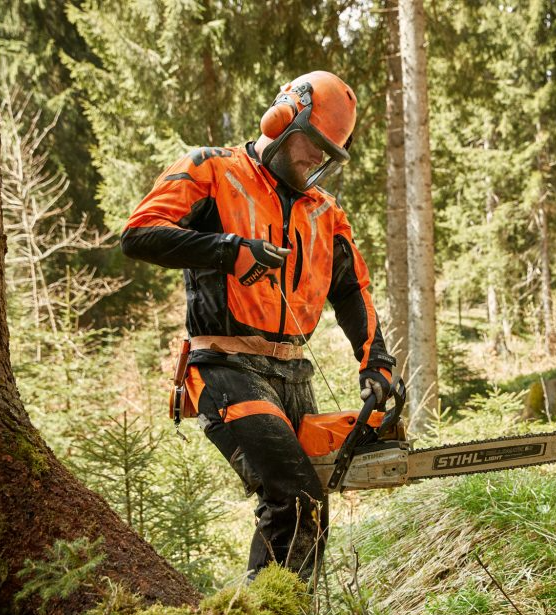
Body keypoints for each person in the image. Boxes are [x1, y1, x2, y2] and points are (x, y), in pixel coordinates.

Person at [120, 71, 395, 581]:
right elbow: (140, 234)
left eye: (329, 154)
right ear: (283, 121)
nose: (318, 161)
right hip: (223, 366)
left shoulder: (325, 212)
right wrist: (227, 250)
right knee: (294, 497)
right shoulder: (212, 169)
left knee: (308, 513)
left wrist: (376, 359)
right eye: (314, 145)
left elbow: (353, 290)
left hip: (294, 376)